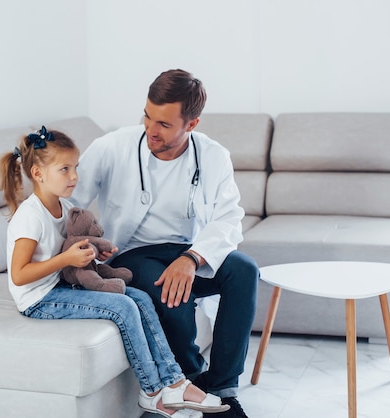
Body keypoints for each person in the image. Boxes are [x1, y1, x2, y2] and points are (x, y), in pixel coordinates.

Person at [0, 126, 229, 418]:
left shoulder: (64, 206)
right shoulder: (30, 216)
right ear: (38, 173)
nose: (74, 177)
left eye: (76, 168)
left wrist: (92, 251)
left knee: (141, 298)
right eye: (64, 169)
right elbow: (19, 275)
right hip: (38, 298)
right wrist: (66, 258)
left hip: (60, 286)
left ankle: (175, 382)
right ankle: (152, 391)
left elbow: (67, 247)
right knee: (123, 307)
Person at [71, 69, 259, 418]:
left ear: (192, 124)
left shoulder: (214, 156)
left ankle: (220, 388)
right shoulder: (112, 147)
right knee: (167, 290)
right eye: (147, 116)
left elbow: (229, 217)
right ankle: (186, 379)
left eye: (164, 124)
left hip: (189, 250)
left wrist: (191, 258)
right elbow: (70, 202)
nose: (151, 130)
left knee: (245, 270)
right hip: (131, 254)